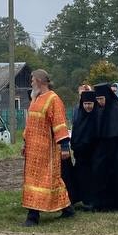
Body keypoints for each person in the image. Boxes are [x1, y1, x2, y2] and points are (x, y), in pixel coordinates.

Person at [21, 69, 74, 226]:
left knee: (47, 180)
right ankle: (67, 209)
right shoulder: (35, 99)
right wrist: (25, 142)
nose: (31, 83)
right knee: (41, 180)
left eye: (32, 80)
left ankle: (33, 216)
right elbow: (30, 124)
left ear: (39, 81)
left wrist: (65, 146)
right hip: (32, 149)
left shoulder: (53, 99)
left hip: (47, 150)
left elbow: (59, 122)